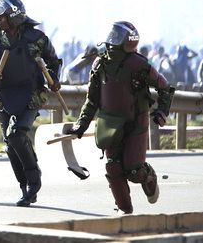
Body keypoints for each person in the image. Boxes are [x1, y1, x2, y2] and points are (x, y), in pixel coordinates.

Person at [68, 21, 174, 214]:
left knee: (134, 171)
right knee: (113, 167)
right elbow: (92, 100)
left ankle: (148, 175)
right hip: (109, 122)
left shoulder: (141, 64)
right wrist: (80, 126)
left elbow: (165, 88)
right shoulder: (100, 63)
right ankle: (125, 211)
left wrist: (161, 112)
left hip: (136, 122)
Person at [0, 0, 62, 207]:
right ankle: (25, 187)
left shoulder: (37, 38)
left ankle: (34, 180)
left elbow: (53, 61)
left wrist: (54, 78)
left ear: (14, 17)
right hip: (5, 96)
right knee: (9, 145)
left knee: (16, 135)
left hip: (30, 95)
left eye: (2, 17)